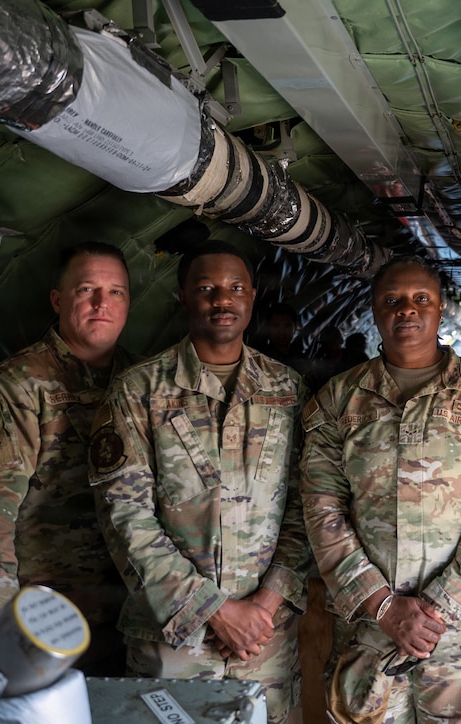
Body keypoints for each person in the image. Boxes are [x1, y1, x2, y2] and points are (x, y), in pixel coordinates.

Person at [300, 255, 461, 722]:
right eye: (392, 300)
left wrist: (439, 606)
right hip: (370, 627)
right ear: (374, 309)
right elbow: (322, 507)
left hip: (460, 633)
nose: (407, 309)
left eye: (420, 299)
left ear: (441, 308)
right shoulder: (339, 398)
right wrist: (384, 606)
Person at [89, 241, 311, 723]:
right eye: (206, 288)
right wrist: (214, 609)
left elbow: (308, 505)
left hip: (265, 637)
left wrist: (265, 604)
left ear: (252, 296)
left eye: (235, 288)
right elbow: (124, 516)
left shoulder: (287, 389)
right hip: (174, 638)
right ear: (182, 296)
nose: (222, 300)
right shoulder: (139, 389)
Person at [0, 241, 134, 676]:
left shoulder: (141, 383)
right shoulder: (16, 387)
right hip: (46, 627)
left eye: (115, 291)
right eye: (87, 290)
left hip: (132, 620)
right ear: (58, 300)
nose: (102, 303)